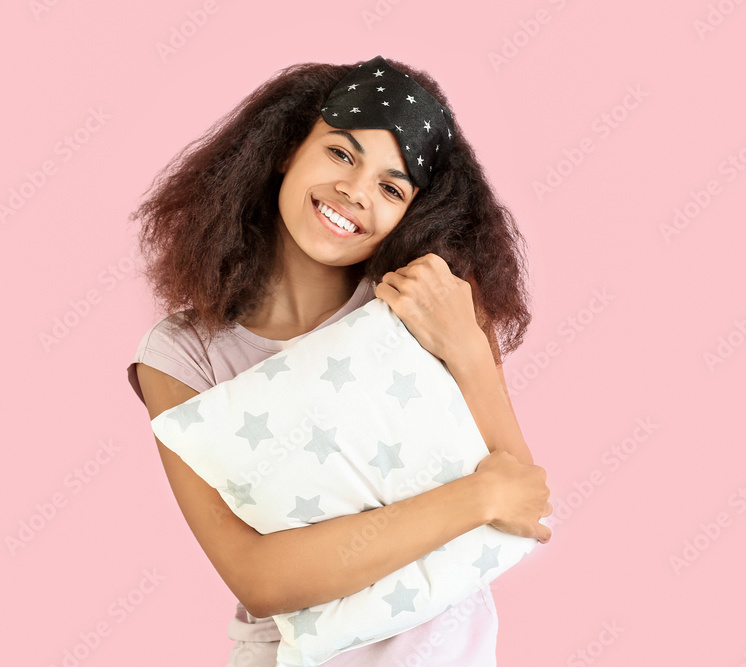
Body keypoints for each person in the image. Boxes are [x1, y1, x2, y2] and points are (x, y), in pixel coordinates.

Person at [126, 55, 552, 666]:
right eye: (341, 154)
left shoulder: (428, 304)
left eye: (390, 186)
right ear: (285, 148)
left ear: (412, 212)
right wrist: (475, 500)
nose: (354, 192)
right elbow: (260, 579)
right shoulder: (182, 354)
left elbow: (527, 508)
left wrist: (467, 348)